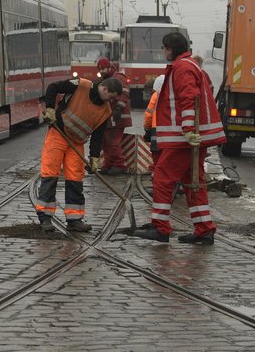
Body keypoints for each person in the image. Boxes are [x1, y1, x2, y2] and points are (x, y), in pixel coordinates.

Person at [136, 32, 225, 244]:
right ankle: (204, 229)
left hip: (184, 138)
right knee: (193, 182)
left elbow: (188, 98)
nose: (164, 52)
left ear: (170, 48)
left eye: (165, 48)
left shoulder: (182, 67)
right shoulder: (190, 65)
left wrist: (187, 130)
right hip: (191, 137)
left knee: (163, 178)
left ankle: (160, 227)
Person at [36, 75, 123, 232]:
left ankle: (74, 219)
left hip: (76, 143)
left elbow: (98, 135)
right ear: (104, 88)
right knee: (50, 175)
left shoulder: (105, 111)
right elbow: (53, 87)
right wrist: (49, 109)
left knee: (75, 179)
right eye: (111, 97)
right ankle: (45, 218)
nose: (110, 101)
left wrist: (94, 158)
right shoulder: (80, 86)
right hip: (58, 135)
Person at [89, 57, 132, 175]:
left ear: (109, 67)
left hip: (118, 117)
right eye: (100, 69)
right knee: (105, 142)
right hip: (109, 117)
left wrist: (118, 108)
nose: (102, 71)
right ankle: (108, 164)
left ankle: (120, 165)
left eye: (103, 68)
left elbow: (124, 94)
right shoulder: (106, 80)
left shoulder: (118, 78)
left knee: (113, 142)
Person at [143, 74, 165, 170]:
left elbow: (149, 114)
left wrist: (147, 127)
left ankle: (156, 170)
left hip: (156, 128)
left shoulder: (156, 95)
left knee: (156, 151)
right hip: (171, 129)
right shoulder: (173, 95)